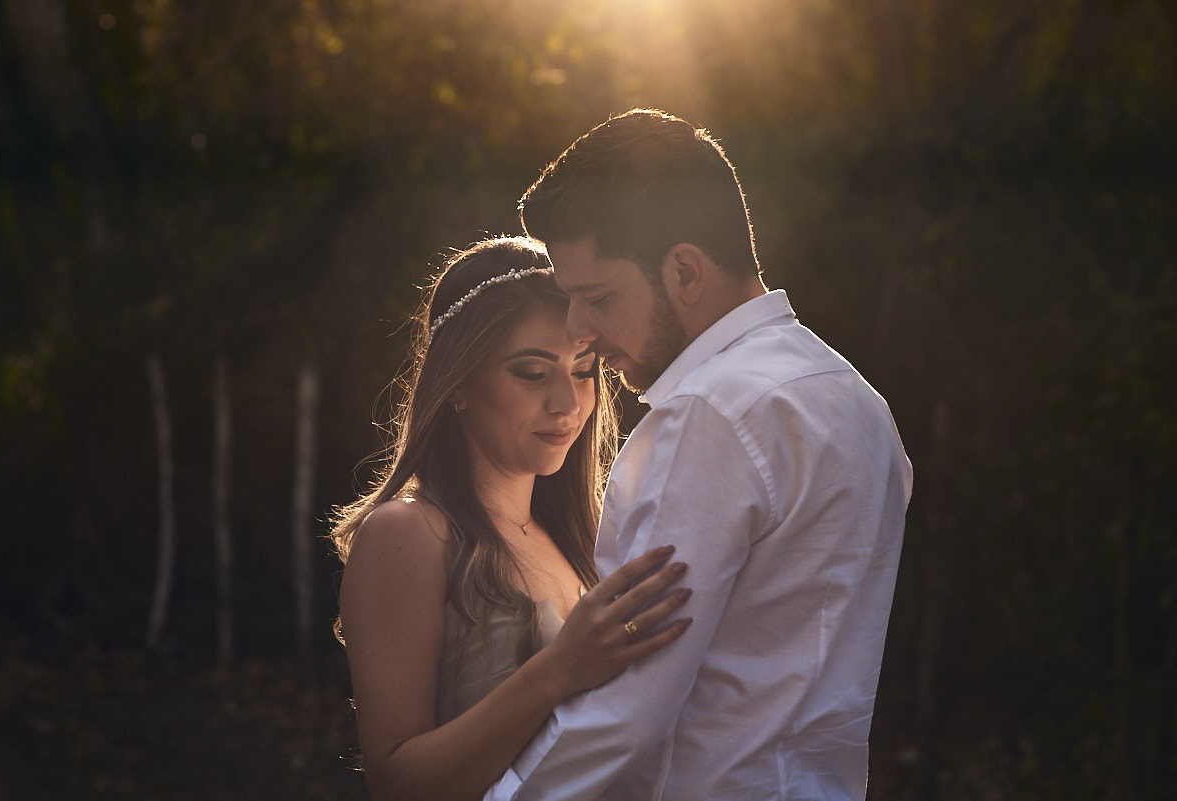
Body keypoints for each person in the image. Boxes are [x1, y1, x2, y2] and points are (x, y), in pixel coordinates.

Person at [482, 110, 914, 801]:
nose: (578, 332)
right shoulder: (858, 402)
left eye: (596, 297)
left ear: (684, 269)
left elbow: (624, 711)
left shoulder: (707, 414)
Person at [329, 236, 693, 801]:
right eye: (531, 372)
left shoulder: (588, 539)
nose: (567, 404)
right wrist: (559, 671)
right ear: (458, 386)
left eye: (583, 369)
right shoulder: (408, 535)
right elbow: (397, 785)